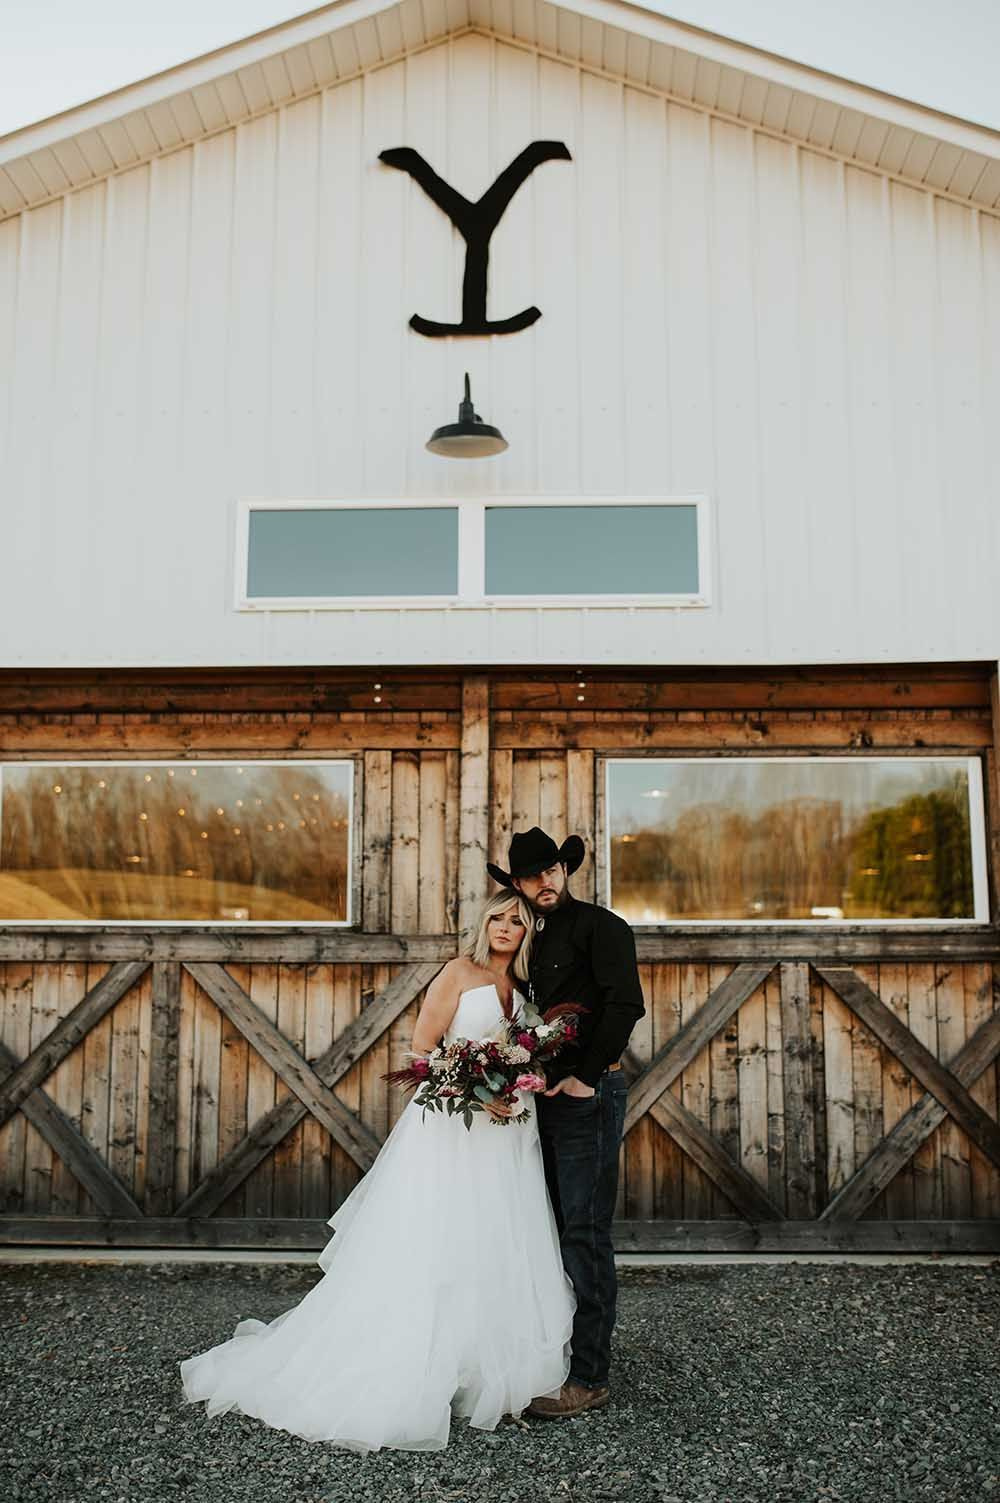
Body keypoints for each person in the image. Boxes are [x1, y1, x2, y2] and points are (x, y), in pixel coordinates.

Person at [179, 889, 575, 1452]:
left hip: (506, 1131)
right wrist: (478, 1090)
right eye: (499, 918)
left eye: (518, 921)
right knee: (435, 1237)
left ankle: (480, 1361)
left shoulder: (524, 990)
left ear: (530, 931)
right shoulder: (458, 972)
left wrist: (519, 1080)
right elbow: (422, 1048)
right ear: (484, 924)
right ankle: (412, 1359)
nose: (507, 927)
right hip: (455, 1128)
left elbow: (517, 1049)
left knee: (495, 1234)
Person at [487, 825, 645, 1419]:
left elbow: (625, 1005)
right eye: (531, 875)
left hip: (589, 1093)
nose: (544, 881)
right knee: (544, 1228)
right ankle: (552, 1355)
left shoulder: (603, 927)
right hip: (541, 1097)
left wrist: (583, 1075)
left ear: (565, 871)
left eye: (552, 869)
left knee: (584, 1231)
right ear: (519, 884)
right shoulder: (529, 936)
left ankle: (589, 1377)